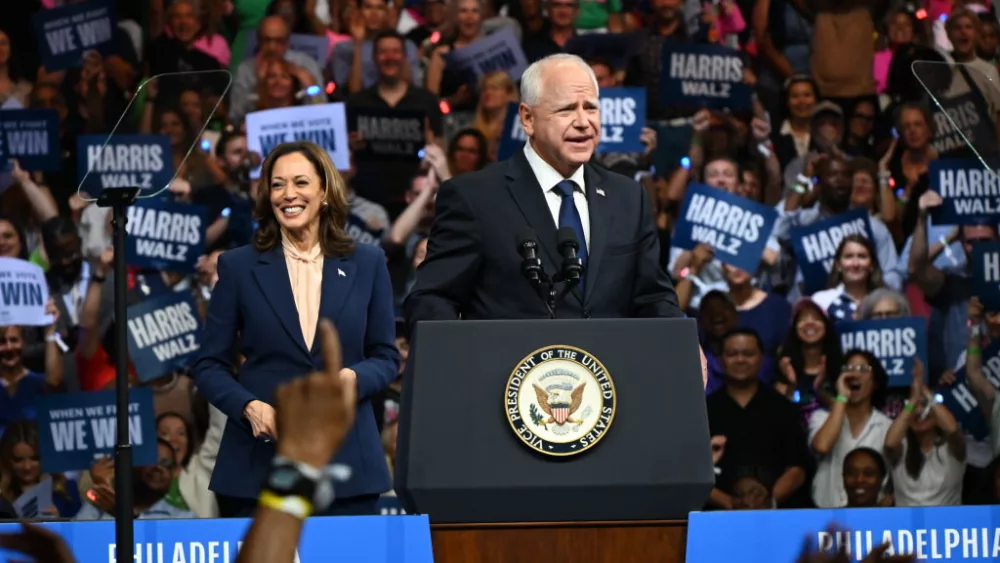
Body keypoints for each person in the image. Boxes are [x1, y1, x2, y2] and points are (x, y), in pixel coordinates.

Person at [405, 53, 687, 341]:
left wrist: (683, 349)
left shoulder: (629, 197)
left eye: (590, 108)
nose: (583, 122)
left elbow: (654, 298)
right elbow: (432, 300)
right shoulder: (473, 197)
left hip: (609, 378)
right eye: (566, 110)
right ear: (528, 119)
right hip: (508, 379)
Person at [193, 141, 400, 517]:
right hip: (260, 465)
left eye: (301, 182)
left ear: (323, 191)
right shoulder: (239, 267)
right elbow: (209, 364)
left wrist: (351, 379)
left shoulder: (367, 262)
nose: (289, 194)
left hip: (347, 463)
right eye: (277, 185)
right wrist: (249, 408)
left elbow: (386, 356)